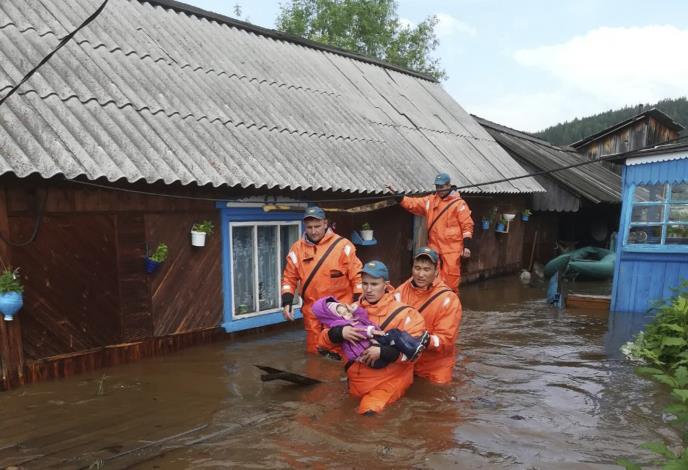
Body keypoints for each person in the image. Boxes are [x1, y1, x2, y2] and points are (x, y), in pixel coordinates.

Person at [318, 260, 426, 415]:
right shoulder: (350, 310)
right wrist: (339, 333)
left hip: (387, 383)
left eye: (374, 284)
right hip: (355, 383)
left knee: (368, 415)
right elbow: (322, 344)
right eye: (365, 284)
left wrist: (382, 352)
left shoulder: (406, 314)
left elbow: (414, 355)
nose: (368, 289)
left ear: (386, 285)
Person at [281, 206, 363, 354]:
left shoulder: (343, 246)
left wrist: (358, 301)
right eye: (309, 227)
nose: (313, 231)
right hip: (312, 312)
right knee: (314, 353)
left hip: (339, 311)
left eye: (317, 226)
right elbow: (289, 278)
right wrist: (287, 303)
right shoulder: (297, 249)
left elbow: (357, 276)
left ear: (325, 224)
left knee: (341, 353)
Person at [390, 172, 474, 293]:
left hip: (452, 251)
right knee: (431, 280)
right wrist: (399, 197)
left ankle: (450, 301)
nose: (439, 189)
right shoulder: (430, 201)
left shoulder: (459, 204)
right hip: (434, 249)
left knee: (451, 283)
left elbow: (467, 226)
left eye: (441, 186)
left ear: (449, 185)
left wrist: (467, 247)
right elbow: (413, 204)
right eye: (437, 186)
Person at [395, 247, 462, 384]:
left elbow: (447, 340)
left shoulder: (448, 299)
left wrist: (425, 340)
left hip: (435, 365)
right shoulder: (400, 292)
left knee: (437, 393)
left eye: (426, 269)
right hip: (405, 360)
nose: (421, 274)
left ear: (436, 271)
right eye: (417, 268)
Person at [312, 296, 429, 368]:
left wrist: (355, 310)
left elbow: (363, 316)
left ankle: (414, 345)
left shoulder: (350, 318)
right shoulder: (340, 325)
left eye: (346, 310)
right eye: (342, 313)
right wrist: (371, 331)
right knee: (393, 334)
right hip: (369, 356)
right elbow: (359, 331)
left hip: (371, 350)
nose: (347, 314)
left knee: (394, 334)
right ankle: (412, 349)